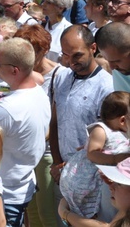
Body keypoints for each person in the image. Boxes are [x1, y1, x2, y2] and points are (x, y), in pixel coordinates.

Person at [0, 37, 51, 226]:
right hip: (21, 187)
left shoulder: (6, 109)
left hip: (3, 194)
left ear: (14, 70)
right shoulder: (39, 92)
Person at [50, 26, 114, 221]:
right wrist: (56, 162)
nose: (70, 62)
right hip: (62, 175)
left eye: (76, 55)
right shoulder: (61, 77)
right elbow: (55, 122)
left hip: (93, 182)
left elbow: (108, 140)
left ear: (93, 47)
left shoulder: (107, 86)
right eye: (65, 55)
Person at [60, 92, 130, 220]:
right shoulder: (101, 130)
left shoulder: (126, 131)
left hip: (113, 178)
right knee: (93, 206)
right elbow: (92, 153)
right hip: (91, 176)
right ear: (122, 120)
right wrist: (114, 159)